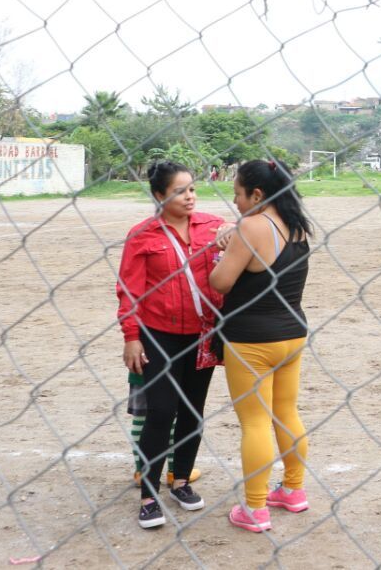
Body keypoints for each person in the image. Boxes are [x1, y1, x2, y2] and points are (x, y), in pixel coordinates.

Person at [116, 161, 225, 530]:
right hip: (158, 335)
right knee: (161, 412)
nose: (190, 196)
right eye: (180, 191)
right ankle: (148, 494)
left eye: (192, 188)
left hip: (203, 335)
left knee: (193, 409)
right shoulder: (142, 235)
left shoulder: (213, 227)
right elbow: (129, 290)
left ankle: (180, 483)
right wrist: (131, 336)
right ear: (160, 195)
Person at [210, 159, 313, 533]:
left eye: (237, 194)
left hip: (251, 340)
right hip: (292, 334)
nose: (235, 202)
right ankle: (293, 490)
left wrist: (223, 251)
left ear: (257, 194)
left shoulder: (250, 226)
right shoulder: (298, 225)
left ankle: (255, 508)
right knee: (286, 412)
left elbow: (221, 282)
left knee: (254, 422)